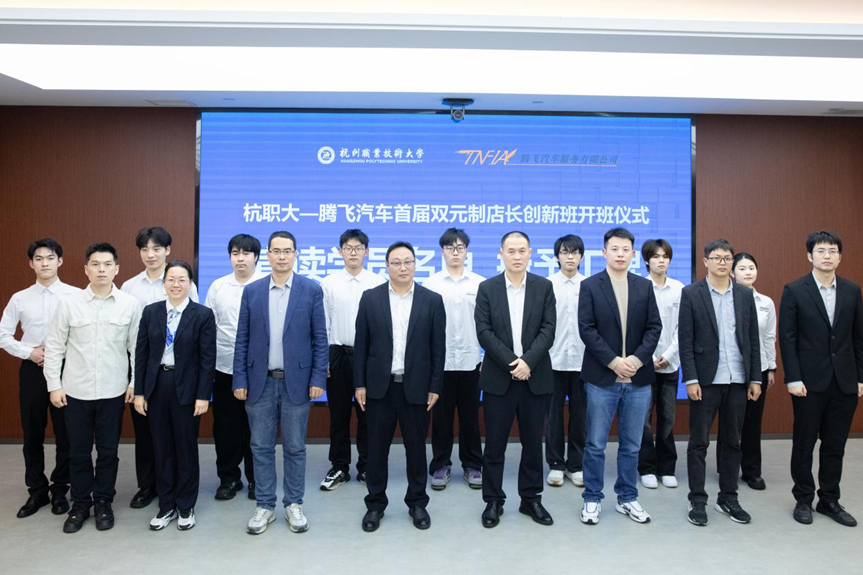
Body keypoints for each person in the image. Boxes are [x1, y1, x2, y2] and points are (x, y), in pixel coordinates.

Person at [233, 231, 328, 535]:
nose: (282, 256)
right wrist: (240, 378)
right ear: (268, 255)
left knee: (295, 448)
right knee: (260, 447)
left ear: (296, 254)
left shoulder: (310, 290)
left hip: (296, 383)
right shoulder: (253, 291)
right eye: (277, 250)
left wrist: (317, 378)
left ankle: (293, 503)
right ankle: (265, 505)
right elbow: (242, 339)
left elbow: (320, 339)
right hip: (259, 382)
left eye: (288, 251)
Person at [44, 243, 141, 533]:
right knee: (78, 452)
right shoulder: (69, 303)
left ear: (117, 269)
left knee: (108, 452)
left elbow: (136, 348)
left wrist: (134, 382)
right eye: (95, 264)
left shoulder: (129, 304)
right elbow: (55, 346)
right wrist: (54, 385)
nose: (101, 270)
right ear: (86, 269)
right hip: (75, 391)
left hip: (113, 392)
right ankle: (80, 504)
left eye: (107, 264)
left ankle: (103, 502)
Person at [354, 241, 445, 532]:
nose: (402, 267)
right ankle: (375, 505)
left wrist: (435, 386)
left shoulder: (432, 300)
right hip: (379, 389)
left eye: (408, 262)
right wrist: (359, 384)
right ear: (387, 266)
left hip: (417, 388)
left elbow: (438, 348)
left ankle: (417, 503)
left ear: (416, 264)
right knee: (376, 451)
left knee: (416, 450)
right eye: (396, 262)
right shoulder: (371, 298)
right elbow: (361, 345)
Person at [578, 228, 662, 525]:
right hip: (602, 379)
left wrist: (636, 360)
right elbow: (587, 329)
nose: (620, 254)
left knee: (632, 445)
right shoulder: (590, 286)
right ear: (604, 252)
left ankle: (627, 498)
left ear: (633, 253)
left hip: (638, 379)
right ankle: (592, 498)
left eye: (626, 249)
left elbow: (654, 328)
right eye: (614, 249)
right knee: (596, 444)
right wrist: (614, 362)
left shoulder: (644, 286)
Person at [780, 230, 863, 527]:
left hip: (844, 381)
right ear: (809, 256)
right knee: (804, 444)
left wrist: (860, 377)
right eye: (821, 251)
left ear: (840, 256)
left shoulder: (852, 290)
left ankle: (829, 499)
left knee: (835, 445)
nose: (827, 256)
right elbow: (787, 338)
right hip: (807, 383)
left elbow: (858, 338)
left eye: (832, 251)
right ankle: (803, 498)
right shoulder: (795, 290)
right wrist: (792, 378)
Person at [475, 231, 556, 529]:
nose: (517, 256)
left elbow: (549, 329)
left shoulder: (544, 287)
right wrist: (514, 363)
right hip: (499, 378)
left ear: (531, 253)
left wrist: (528, 362)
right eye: (511, 251)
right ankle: (493, 500)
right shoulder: (487, 288)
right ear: (501, 254)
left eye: (522, 250)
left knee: (533, 443)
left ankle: (530, 498)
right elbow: (484, 332)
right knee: (495, 445)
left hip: (535, 377)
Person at [679, 239, 761, 527]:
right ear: (706, 261)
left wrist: (755, 377)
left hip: (738, 378)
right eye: (717, 258)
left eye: (727, 258)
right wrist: (690, 378)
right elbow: (685, 340)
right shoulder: (691, 294)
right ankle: (697, 500)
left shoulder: (744, 294)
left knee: (732, 442)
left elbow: (752, 339)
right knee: (698, 443)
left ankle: (728, 497)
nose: (723, 262)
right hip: (705, 380)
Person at [134, 260, 216, 531]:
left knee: (185, 447)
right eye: (171, 279)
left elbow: (207, 359)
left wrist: (203, 395)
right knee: (161, 447)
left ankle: (185, 505)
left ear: (190, 284)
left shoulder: (202, 314)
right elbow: (142, 354)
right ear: (164, 283)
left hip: (187, 389)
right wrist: (140, 391)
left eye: (182, 280)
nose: (176, 284)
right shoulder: (151, 312)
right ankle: (166, 505)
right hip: (157, 385)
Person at [121, 226, 199, 511]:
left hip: (176, 374)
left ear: (167, 250)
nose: (150, 254)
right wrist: (134, 380)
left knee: (176, 436)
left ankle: (177, 488)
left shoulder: (183, 283)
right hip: (142, 369)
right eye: (144, 249)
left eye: (156, 248)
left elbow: (193, 332)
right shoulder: (129, 286)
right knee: (146, 433)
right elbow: (129, 336)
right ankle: (147, 486)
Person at [1, 238, 79, 518]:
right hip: (33, 371)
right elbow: (3, 335)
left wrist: (60, 353)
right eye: (39, 258)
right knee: (32, 432)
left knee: (65, 433)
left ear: (60, 261)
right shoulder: (20, 298)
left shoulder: (75, 295)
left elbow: (85, 333)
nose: (45, 263)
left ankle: (60, 489)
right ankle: (36, 490)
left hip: (66, 370)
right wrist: (30, 352)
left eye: (50, 257)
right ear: (31, 263)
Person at [319, 229, 385, 491]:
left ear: (366, 252)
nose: (353, 253)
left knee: (368, 414)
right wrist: (323, 358)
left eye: (358, 248)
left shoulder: (378, 282)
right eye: (348, 248)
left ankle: (367, 465)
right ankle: (339, 466)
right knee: (338, 415)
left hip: (368, 356)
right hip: (337, 354)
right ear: (340, 251)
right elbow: (322, 324)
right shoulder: (328, 283)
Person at [205, 234, 265, 501]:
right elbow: (209, 327)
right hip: (224, 367)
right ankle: (229, 479)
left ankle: (256, 480)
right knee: (226, 427)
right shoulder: (218, 286)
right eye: (235, 253)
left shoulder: (266, 284)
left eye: (246, 253)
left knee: (257, 428)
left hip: (258, 370)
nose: (240, 258)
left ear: (256, 257)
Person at [425, 228, 484, 491]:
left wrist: (486, 355)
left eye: (460, 247)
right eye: (450, 247)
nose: (455, 252)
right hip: (441, 363)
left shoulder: (479, 284)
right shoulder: (431, 284)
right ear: (442, 251)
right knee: (441, 419)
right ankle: (440, 465)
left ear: (467, 251)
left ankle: (473, 465)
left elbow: (487, 324)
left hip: (472, 361)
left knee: (471, 418)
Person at [715, 253, 776, 491]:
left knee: (752, 422)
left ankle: (752, 470)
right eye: (742, 268)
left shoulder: (765, 302)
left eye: (752, 268)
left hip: (757, 369)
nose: (748, 272)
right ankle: (726, 467)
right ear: (732, 273)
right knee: (729, 422)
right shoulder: (725, 299)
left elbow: (769, 338)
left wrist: (770, 367)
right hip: (731, 369)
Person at [637, 239, 684, 490]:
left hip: (671, 364)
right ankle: (646, 468)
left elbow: (682, 327)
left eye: (665, 256)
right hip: (644, 364)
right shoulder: (639, 287)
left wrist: (668, 354)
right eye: (655, 256)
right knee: (643, 420)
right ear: (647, 260)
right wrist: (650, 357)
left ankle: (667, 468)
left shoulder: (679, 289)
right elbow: (636, 328)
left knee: (667, 418)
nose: (661, 260)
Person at [545, 234, 587, 489]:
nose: (570, 257)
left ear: (581, 256)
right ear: (557, 256)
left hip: (584, 361)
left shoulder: (590, 285)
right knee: (553, 416)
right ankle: (555, 464)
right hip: (552, 361)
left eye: (575, 252)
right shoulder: (546, 285)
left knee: (580, 417)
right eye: (565, 252)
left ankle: (576, 465)